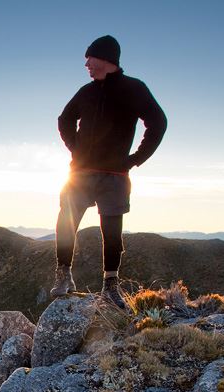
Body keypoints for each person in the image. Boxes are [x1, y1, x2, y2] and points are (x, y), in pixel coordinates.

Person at [51, 35, 167, 310]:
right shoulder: (86, 91)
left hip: (114, 174)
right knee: (66, 222)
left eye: (90, 59)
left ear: (105, 59)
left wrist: (135, 159)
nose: (87, 65)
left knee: (112, 231)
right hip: (79, 173)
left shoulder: (133, 89)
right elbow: (64, 119)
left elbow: (158, 123)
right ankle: (63, 275)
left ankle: (110, 285)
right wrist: (75, 149)